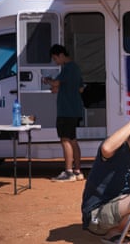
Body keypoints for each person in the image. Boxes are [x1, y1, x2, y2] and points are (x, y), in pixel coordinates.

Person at [81, 103, 130, 244]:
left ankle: (128, 224)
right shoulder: (118, 148)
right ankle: (114, 233)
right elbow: (106, 148)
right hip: (96, 214)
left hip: (118, 206)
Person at [43, 44, 85, 182]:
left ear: (61, 55)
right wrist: (63, 90)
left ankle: (68, 172)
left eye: (55, 58)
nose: (56, 61)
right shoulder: (76, 68)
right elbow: (80, 89)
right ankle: (78, 171)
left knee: (65, 139)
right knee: (72, 140)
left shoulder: (67, 68)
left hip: (66, 110)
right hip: (75, 109)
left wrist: (47, 80)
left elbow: (56, 83)